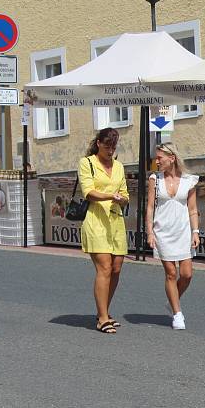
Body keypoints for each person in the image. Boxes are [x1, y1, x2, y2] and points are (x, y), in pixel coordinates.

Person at [80, 128, 129, 334]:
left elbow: (125, 194)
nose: (110, 150)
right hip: (96, 220)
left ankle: (105, 311)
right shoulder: (87, 163)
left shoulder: (119, 166)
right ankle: (102, 318)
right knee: (105, 268)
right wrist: (110, 195)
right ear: (98, 143)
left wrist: (123, 199)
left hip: (116, 221)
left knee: (116, 268)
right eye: (107, 146)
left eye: (113, 147)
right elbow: (88, 192)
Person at [146, 143, 200, 330]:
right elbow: (150, 207)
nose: (157, 161)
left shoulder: (189, 180)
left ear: (172, 158)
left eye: (160, 158)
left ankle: (172, 300)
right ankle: (177, 314)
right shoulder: (155, 179)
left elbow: (192, 209)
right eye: (156, 157)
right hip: (163, 231)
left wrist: (195, 231)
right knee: (171, 273)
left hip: (183, 231)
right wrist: (150, 232)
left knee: (186, 274)